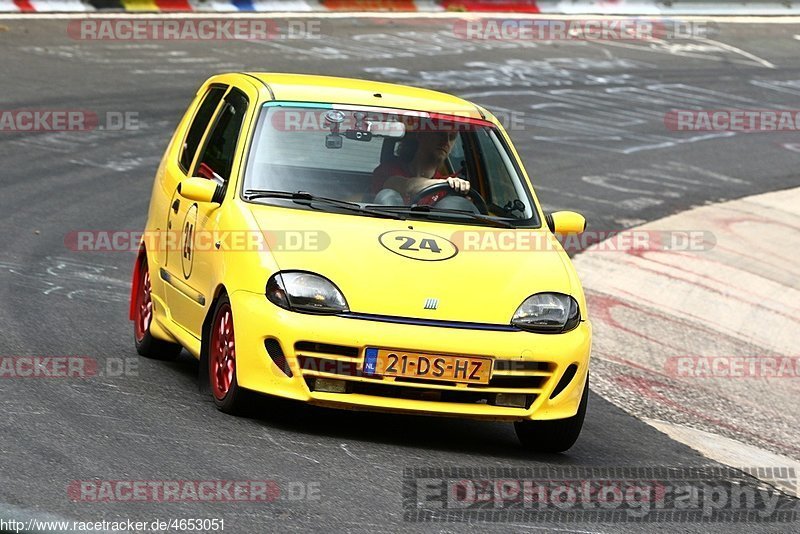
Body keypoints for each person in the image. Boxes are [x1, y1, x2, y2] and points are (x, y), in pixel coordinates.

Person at [372, 130, 470, 205]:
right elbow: (406, 185)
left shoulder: (447, 186)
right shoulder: (387, 170)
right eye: (440, 134)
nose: (446, 142)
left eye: (452, 137)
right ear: (421, 135)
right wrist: (445, 183)